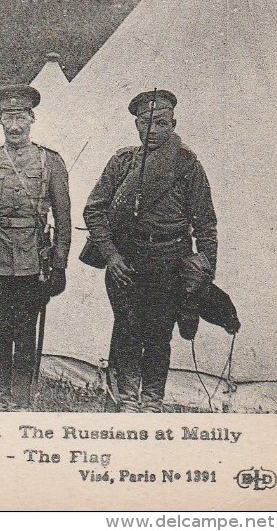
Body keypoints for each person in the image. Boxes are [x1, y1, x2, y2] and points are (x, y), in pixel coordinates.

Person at [82, 90, 218, 413]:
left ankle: (152, 400)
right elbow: (94, 210)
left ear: (173, 124)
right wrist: (112, 256)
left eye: (160, 123)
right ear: (137, 126)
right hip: (127, 264)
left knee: (159, 336)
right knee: (128, 330)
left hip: (170, 265)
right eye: (146, 123)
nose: (153, 130)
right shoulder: (122, 163)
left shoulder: (187, 165)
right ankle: (127, 398)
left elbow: (206, 224)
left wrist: (204, 271)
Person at [0, 85, 71, 411]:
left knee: (25, 331)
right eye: (8, 117)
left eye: (20, 116)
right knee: (0, 330)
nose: (14, 125)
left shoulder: (50, 161)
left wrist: (60, 264)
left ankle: (21, 401)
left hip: (33, 260)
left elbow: (63, 219)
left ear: (32, 118)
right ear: (0, 119)